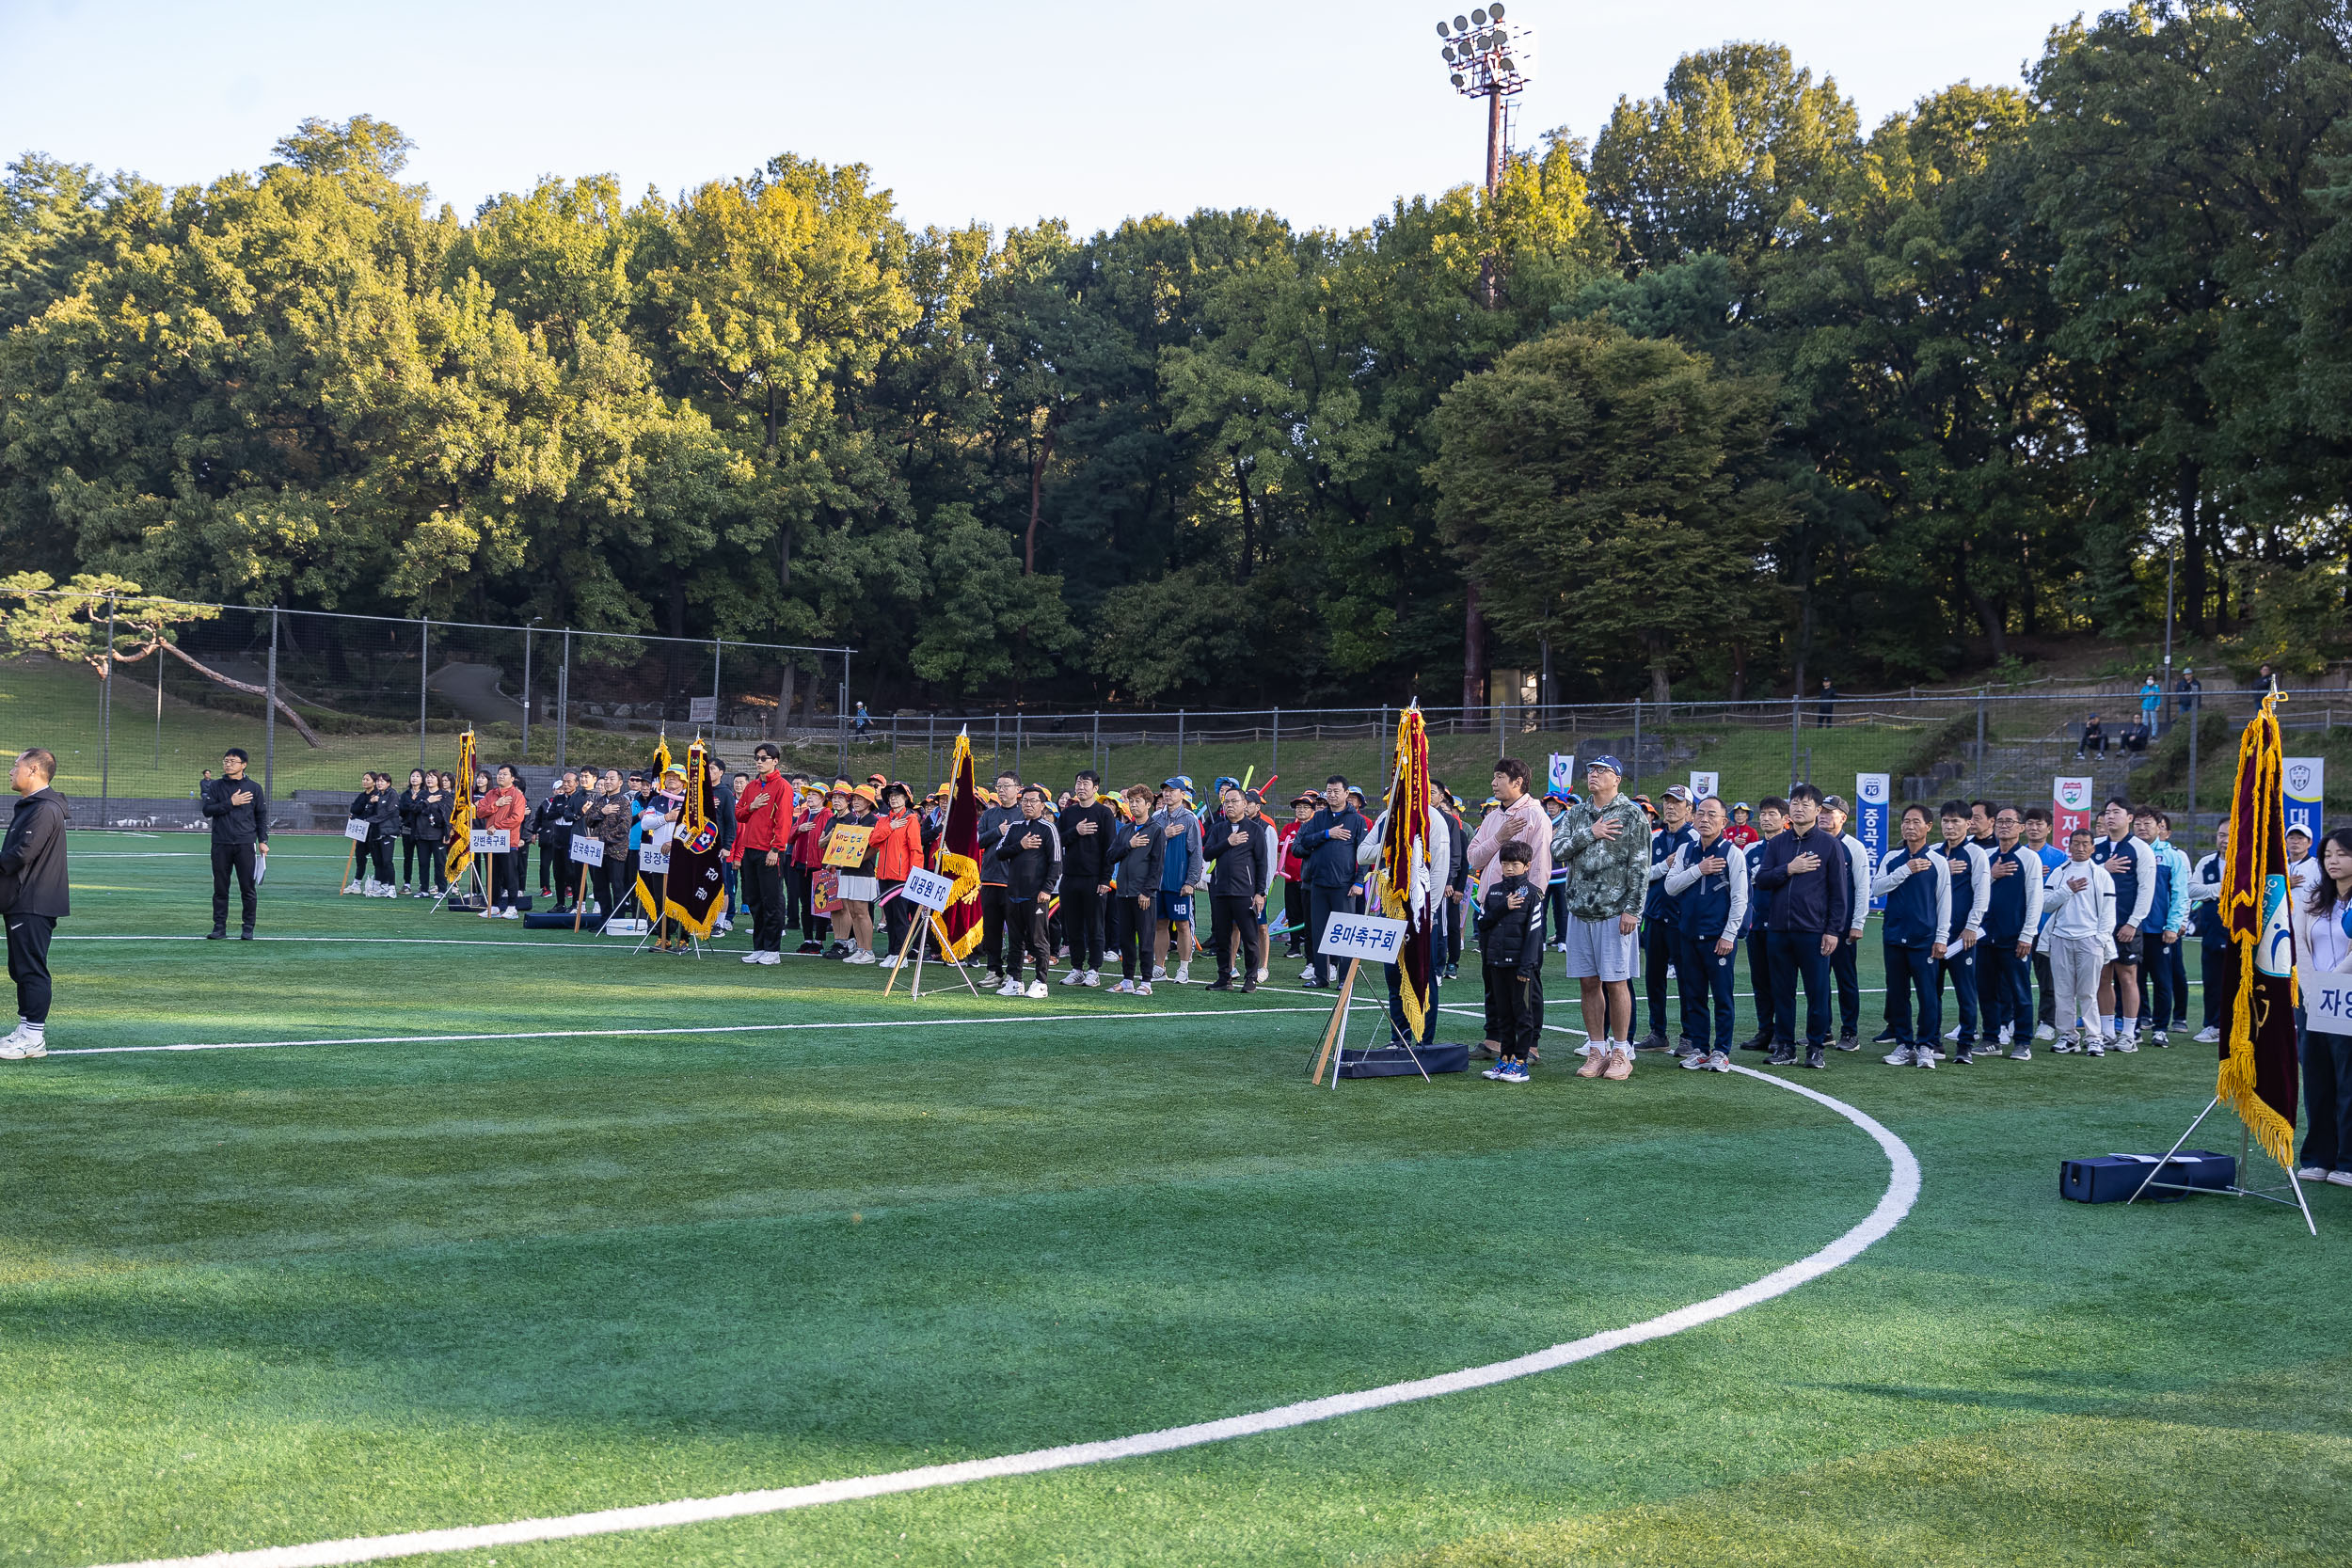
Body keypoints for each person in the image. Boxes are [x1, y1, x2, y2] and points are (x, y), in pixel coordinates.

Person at [1553, 755, 1646, 1079]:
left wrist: (1633, 908)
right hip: (1580, 910)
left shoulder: (1633, 815)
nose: (1594, 775)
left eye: (1602, 771)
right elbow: (1557, 849)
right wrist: (1590, 833)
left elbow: (1640, 865)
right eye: (1591, 770)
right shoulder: (1576, 813)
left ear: (1617, 778)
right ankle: (1597, 1049)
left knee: (1616, 982)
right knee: (1588, 983)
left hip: (1614, 912)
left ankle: (1621, 1050)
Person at [1751, 783, 1851, 1069]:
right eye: (1794, 803)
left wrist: (1833, 930)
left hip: (1813, 932)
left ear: (1818, 810)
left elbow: (1838, 893)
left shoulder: (1830, 844)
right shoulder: (1778, 843)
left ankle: (1816, 1047)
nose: (1797, 808)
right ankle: (1785, 1046)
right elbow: (1764, 879)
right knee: (1781, 991)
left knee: (1817, 992)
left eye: (1805, 804)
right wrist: (1789, 869)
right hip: (1779, 930)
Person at [1468, 758, 1554, 1054]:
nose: (1493, 783)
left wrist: (1532, 905)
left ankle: (1530, 1043)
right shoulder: (1492, 817)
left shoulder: (1536, 816)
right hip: (1490, 909)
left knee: (1525, 977)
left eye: (1499, 777)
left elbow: (1540, 865)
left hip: (1521, 909)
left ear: (1517, 782)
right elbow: (1474, 858)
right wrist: (1499, 838)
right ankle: (1494, 1037)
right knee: (1492, 974)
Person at [1662, 796, 1749, 1072]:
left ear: (1724, 822)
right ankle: (1700, 1049)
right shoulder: (1687, 851)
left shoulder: (1733, 853)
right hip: (1688, 936)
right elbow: (1670, 886)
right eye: (1700, 814)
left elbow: (1740, 899)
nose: (1705, 819)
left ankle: (1721, 1051)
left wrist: (1728, 935)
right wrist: (1698, 870)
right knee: (1693, 995)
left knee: (1722, 997)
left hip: (1718, 939)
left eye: (1712, 815)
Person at [2290, 829, 2352, 1186]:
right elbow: (2299, 945)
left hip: (2346, 998)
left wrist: (2332, 982)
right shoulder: (2312, 898)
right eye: (2328, 854)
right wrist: (2312, 988)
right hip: (2312, 1001)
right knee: (2316, 1080)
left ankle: (2348, 1160)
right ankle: (2317, 1157)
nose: (2333, 860)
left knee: (2348, 1081)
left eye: (2342, 854)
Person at [0, 749, 68, 1061]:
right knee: (21, 967)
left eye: (16, 766)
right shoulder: (34, 806)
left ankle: (33, 1037)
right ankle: (26, 1030)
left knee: (31, 969)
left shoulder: (44, 809)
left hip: (33, 901)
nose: (11, 771)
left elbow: (22, 853)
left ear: (34, 769)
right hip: (23, 899)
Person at [1872, 803, 1950, 1068]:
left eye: (1916, 821)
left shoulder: (1939, 861)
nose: (1909, 826)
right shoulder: (1892, 858)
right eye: (1906, 821)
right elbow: (1878, 888)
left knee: (1928, 994)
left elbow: (1944, 902)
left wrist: (1941, 938)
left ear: (1929, 826)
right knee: (1897, 993)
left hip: (1925, 940)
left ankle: (1926, 1045)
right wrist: (1906, 869)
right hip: (1894, 936)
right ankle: (1904, 1044)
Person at [1976, 805, 2044, 1061]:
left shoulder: (2029, 858)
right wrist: (1991, 876)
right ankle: (1992, 1037)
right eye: (2000, 822)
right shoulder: (1986, 856)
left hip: (2014, 937)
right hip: (1985, 936)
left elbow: (2035, 899)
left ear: (2021, 827)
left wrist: (2028, 934)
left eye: (2010, 822)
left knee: (2020, 990)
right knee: (1987, 989)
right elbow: (1976, 891)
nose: (2004, 826)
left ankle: (2023, 1041)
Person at [2042, 828, 2118, 1055]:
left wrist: (2100, 939)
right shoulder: (2060, 873)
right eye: (2076, 843)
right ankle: (2068, 1035)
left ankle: (2094, 1037)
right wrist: (2067, 890)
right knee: (2063, 991)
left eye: (2085, 843)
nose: (2080, 847)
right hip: (2061, 938)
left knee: (2088, 992)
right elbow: (2046, 904)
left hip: (2090, 940)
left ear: (2093, 848)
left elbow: (2108, 913)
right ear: (2070, 846)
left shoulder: (2101, 875)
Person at [1292, 776, 1371, 990]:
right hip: (1318, 884)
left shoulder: (1357, 821)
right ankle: (1321, 976)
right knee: (1318, 931)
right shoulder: (1318, 818)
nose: (1332, 795)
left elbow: (1364, 855)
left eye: (1336, 791)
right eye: (1329, 791)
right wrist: (1327, 834)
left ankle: (1345, 977)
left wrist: (1359, 882)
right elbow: (1302, 844)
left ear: (1346, 793)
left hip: (1344, 886)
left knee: (1345, 932)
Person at [1636, 786, 1697, 1053]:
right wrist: (1664, 867)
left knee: (1687, 978)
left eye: (1677, 802)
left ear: (1689, 809)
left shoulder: (1695, 838)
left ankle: (1690, 1034)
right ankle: (1657, 1032)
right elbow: (1640, 873)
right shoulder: (1656, 836)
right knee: (1654, 978)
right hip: (1655, 916)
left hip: (1681, 919)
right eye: (1667, 802)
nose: (1670, 807)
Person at [2091, 797, 2156, 1049]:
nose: (2110, 817)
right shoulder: (2095, 847)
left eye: (2116, 812)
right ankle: (2106, 1031)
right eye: (2107, 812)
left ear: (2129, 818)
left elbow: (2146, 890)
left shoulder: (2141, 849)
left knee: (2128, 977)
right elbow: (2081, 876)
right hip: (2098, 926)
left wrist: (2133, 923)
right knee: (2101, 977)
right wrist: (2103, 867)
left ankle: (2129, 1033)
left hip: (2125, 925)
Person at [1476, 843, 1543, 1084]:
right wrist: (1503, 907)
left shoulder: (1533, 894)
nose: (1510, 868)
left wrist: (1527, 967)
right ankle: (1505, 1058)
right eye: (1505, 864)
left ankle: (1521, 1062)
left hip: (1520, 967)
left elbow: (1534, 934)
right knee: (1502, 1013)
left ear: (1527, 866)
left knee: (1523, 1015)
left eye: (1515, 864)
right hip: (1496, 964)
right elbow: (1482, 923)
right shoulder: (1494, 891)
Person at [1930, 800, 1991, 1059]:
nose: (1950, 826)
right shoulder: (1932, 852)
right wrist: (1940, 870)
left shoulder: (1976, 854)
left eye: (1956, 821)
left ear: (1969, 824)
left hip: (1960, 938)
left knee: (1966, 992)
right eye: (1945, 821)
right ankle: (1932, 1042)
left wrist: (1971, 928)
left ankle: (1965, 1043)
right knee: (1931, 990)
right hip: (1933, 936)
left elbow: (1982, 894)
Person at [992, 784, 1062, 998]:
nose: (1028, 804)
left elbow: (1056, 862)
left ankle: (1041, 982)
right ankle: (1014, 980)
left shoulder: (1048, 828)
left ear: (1042, 805)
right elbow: (1000, 853)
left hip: (1037, 894)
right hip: (1013, 892)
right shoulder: (1015, 827)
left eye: (1033, 801)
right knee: (1015, 939)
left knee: (1038, 939)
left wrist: (1047, 889)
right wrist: (1021, 845)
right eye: (1025, 801)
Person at [1819, 795, 1872, 1053]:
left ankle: (1850, 1032)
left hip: (1842, 926)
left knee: (1845, 979)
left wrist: (1858, 923)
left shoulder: (1854, 847)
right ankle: (1823, 1030)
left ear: (1843, 817)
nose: (1824, 815)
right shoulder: (1812, 842)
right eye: (1822, 811)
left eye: (1830, 812)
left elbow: (1862, 888)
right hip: (1814, 925)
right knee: (1818, 980)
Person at [1203, 785, 1267, 992]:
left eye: (1234, 802)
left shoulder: (1255, 830)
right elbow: (1207, 854)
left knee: (1249, 937)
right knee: (1222, 937)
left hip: (1244, 893)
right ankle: (1224, 977)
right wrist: (1228, 843)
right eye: (1226, 802)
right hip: (1220, 891)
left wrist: (1260, 892)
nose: (1230, 805)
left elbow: (1262, 863)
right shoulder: (1218, 829)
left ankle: (1251, 978)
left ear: (1244, 804)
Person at [200, 747, 268, 939]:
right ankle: (219, 927)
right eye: (225, 761)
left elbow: (261, 816)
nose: (228, 764)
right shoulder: (215, 786)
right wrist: (231, 802)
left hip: (245, 844)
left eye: (232, 761)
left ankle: (248, 928)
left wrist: (263, 840)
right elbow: (207, 810)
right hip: (221, 843)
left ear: (243, 765)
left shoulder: (254, 788)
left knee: (248, 887)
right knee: (220, 887)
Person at [734, 743, 791, 965]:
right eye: (757, 758)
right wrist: (752, 806)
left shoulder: (783, 787)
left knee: (772, 901)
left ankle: (773, 950)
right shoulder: (752, 787)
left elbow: (784, 821)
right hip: (750, 850)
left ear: (775, 761)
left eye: (764, 758)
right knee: (754, 900)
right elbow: (739, 814)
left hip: (770, 851)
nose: (759, 761)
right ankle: (759, 947)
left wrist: (776, 848)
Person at [1059, 770, 1118, 986]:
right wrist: (1077, 831)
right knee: (1072, 926)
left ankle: (1094, 969)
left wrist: (1105, 879)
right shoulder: (1068, 814)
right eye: (1078, 783)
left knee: (1095, 925)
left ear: (1095, 788)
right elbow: (1058, 841)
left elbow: (1110, 849)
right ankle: (1076, 968)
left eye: (1086, 783)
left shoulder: (1104, 814)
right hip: (1070, 877)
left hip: (1095, 879)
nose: (1081, 787)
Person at [2136, 806, 2187, 1042]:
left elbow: (2179, 894)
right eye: (2138, 823)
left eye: (2148, 824)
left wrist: (2173, 926)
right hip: (2132, 929)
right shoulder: (2128, 851)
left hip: (2159, 930)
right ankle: (2133, 1026)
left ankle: (2160, 1029)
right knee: (2132, 980)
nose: (2142, 827)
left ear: (2160, 828)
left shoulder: (2171, 855)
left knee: (2162, 981)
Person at [1740, 799, 1787, 1051]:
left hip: (1782, 925)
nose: (1766, 818)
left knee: (1781, 981)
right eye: (1764, 814)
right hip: (1756, 924)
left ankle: (1782, 1032)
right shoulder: (1751, 849)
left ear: (1784, 819)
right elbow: (1744, 884)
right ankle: (1764, 1031)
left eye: (1772, 814)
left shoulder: (1790, 848)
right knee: (1760, 981)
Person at [1108, 784, 1165, 994]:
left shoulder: (1156, 830)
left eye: (1138, 801)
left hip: (1143, 895)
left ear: (1148, 804)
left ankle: (1147, 982)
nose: (1133, 805)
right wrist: (1129, 845)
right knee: (1125, 939)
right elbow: (1111, 856)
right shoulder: (1125, 831)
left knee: (1145, 938)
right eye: (1131, 801)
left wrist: (1147, 891)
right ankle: (1127, 980)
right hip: (1123, 892)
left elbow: (1157, 864)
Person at [1151, 780, 1206, 984]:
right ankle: (1159, 967)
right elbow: (1149, 847)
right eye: (1164, 790)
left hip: (1179, 883)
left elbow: (1196, 854)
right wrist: (1163, 836)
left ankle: (1184, 968)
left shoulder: (1190, 819)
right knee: (1160, 924)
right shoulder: (1156, 818)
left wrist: (1191, 881)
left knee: (1183, 925)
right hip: (1158, 883)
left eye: (1172, 791)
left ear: (1182, 794)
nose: (1167, 794)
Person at [2021, 807, 2065, 1040]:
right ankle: (2015, 1020)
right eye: (2030, 823)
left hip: (2048, 927)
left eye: (2039, 824)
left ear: (2049, 828)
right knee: (2017, 977)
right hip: (2020, 926)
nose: (2034, 828)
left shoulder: (2060, 858)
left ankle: (2047, 1022)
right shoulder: (2017, 854)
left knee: (2047, 978)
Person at [2187, 821, 2233, 1044]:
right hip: (2212, 932)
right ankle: (2213, 1025)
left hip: (2241, 932)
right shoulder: (2206, 863)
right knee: (2212, 980)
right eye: (2221, 835)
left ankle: (2239, 1027)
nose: (2224, 840)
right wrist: (2220, 888)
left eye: (2229, 835)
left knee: (2240, 981)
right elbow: (2193, 889)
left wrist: (2211, 892)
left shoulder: (2248, 863)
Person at [976, 771, 1024, 986]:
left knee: (1015, 931)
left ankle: (1014, 973)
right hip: (989, 879)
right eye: (999, 786)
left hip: (1014, 882)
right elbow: (977, 841)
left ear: (1018, 789)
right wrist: (998, 831)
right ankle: (994, 970)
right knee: (991, 930)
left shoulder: (1024, 815)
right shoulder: (989, 815)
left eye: (1006, 786)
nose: (1002, 790)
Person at [870, 782, 925, 968]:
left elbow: (916, 850)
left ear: (906, 799)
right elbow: (873, 840)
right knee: (891, 918)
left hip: (902, 876)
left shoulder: (911, 820)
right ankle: (892, 952)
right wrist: (891, 826)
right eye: (891, 795)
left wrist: (913, 876)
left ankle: (901, 955)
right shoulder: (884, 821)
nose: (893, 798)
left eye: (898, 796)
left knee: (901, 917)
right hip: (884, 875)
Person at [579, 768, 632, 921]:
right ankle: (605, 918)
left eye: (612, 779)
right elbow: (588, 820)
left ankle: (618, 920)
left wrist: (600, 839)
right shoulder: (600, 801)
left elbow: (623, 829)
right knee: (600, 887)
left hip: (616, 852)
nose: (608, 782)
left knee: (617, 886)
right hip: (598, 852)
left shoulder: (623, 802)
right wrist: (602, 811)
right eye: (606, 779)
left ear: (620, 783)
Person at [479, 765, 528, 918]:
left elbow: (517, 818)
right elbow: (479, 812)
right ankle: (493, 905)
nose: (500, 776)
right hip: (491, 841)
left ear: (512, 778)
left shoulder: (517, 796)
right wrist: (496, 805)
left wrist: (497, 826)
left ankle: (512, 907)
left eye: (504, 774)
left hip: (508, 841)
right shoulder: (491, 794)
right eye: (499, 774)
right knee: (492, 874)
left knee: (509, 874)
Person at [397, 768, 429, 895]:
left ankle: (423, 885)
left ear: (422, 779)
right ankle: (407, 884)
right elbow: (402, 809)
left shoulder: (426, 794)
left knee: (423, 859)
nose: (414, 778)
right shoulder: (405, 794)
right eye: (412, 776)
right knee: (407, 857)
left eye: (417, 776)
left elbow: (423, 809)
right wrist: (414, 803)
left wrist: (414, 804)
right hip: (407, 829)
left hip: (421, 830)